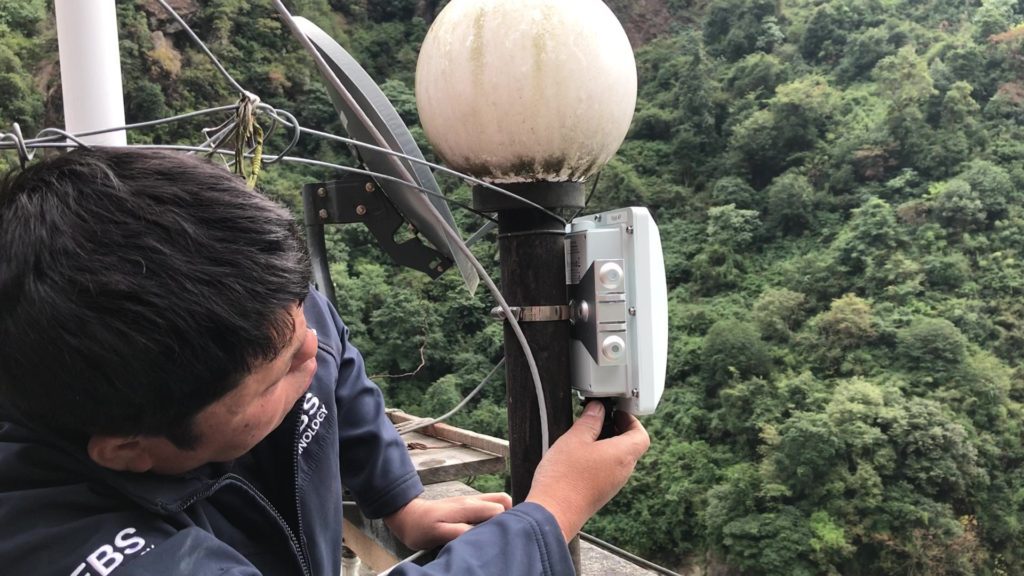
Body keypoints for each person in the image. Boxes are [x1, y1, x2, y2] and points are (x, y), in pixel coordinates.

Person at [0, 148, 650, 575]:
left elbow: (334, 365)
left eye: (297, 316)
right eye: (277, 374)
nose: (308, 350)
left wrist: (399, 502)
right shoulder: (56, 541)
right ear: (128, 449)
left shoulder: (257, 318)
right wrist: (551, 515)